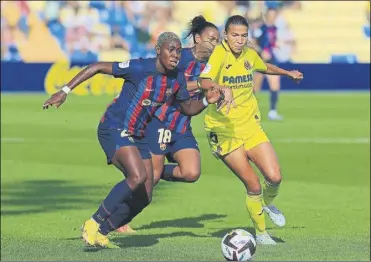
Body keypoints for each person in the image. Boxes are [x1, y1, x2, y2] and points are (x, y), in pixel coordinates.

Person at [42, 32, 223, 248]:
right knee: (137, 176)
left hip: (139, 135)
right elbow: (98, 66)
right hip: (114, 126)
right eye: (170, 50)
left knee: (145, 195)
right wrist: (64, 91)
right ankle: (93, 223)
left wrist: (205, 100)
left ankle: (103, 231)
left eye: (177, 50)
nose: (175, 55)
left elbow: (188, 108)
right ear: (158, 50)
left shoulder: (177, 80)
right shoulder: (138, 68)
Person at [198, 15, 303, 245]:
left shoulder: (248, 54)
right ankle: (262, 233)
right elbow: (204, 80)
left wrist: (287, 73)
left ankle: (265, 203)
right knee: (253, 184)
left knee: (274, 177)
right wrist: (220, 86)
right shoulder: (219, 54)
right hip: (224, 130)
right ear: (226, 35)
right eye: (235, 35)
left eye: (243, 35)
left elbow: (264, 67)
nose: (239, 40)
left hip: (250, 126)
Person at [116, 15, 220, 234]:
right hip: (160, 120)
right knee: (147, 182)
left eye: (218, 40)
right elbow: (166, 83)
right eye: (212, 39)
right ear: (198, 39)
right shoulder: (178, 57)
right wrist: (202, 84)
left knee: (191, 172)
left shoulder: (213, 64)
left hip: (182, 125)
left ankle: (157, 172)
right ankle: (119, 218)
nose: (215, 43)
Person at [251, 8, 284, 121]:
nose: (272, 17)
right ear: (267, 16)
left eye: (274, 15)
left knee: (275, 84)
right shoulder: (261, 29)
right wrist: (261, 51)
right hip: (260, 60)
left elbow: (271, 42)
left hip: (271, 60)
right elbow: (253, 44)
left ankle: (273, 112)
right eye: (270, 15)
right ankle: (249, 111)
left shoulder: (274, 29)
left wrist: (276, 45)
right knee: (255, 87)